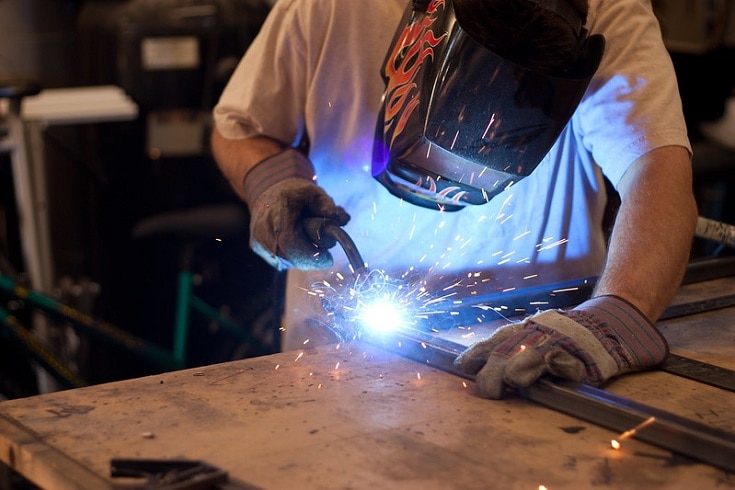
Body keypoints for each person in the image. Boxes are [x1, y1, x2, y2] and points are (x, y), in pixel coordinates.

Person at [211, 0, 698, 399]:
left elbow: (657, 168)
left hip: (547, 365)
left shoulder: (605, 9)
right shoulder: (333, 6)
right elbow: (240, 129)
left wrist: (617, 313)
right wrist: (271, 181)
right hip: (338, 359)